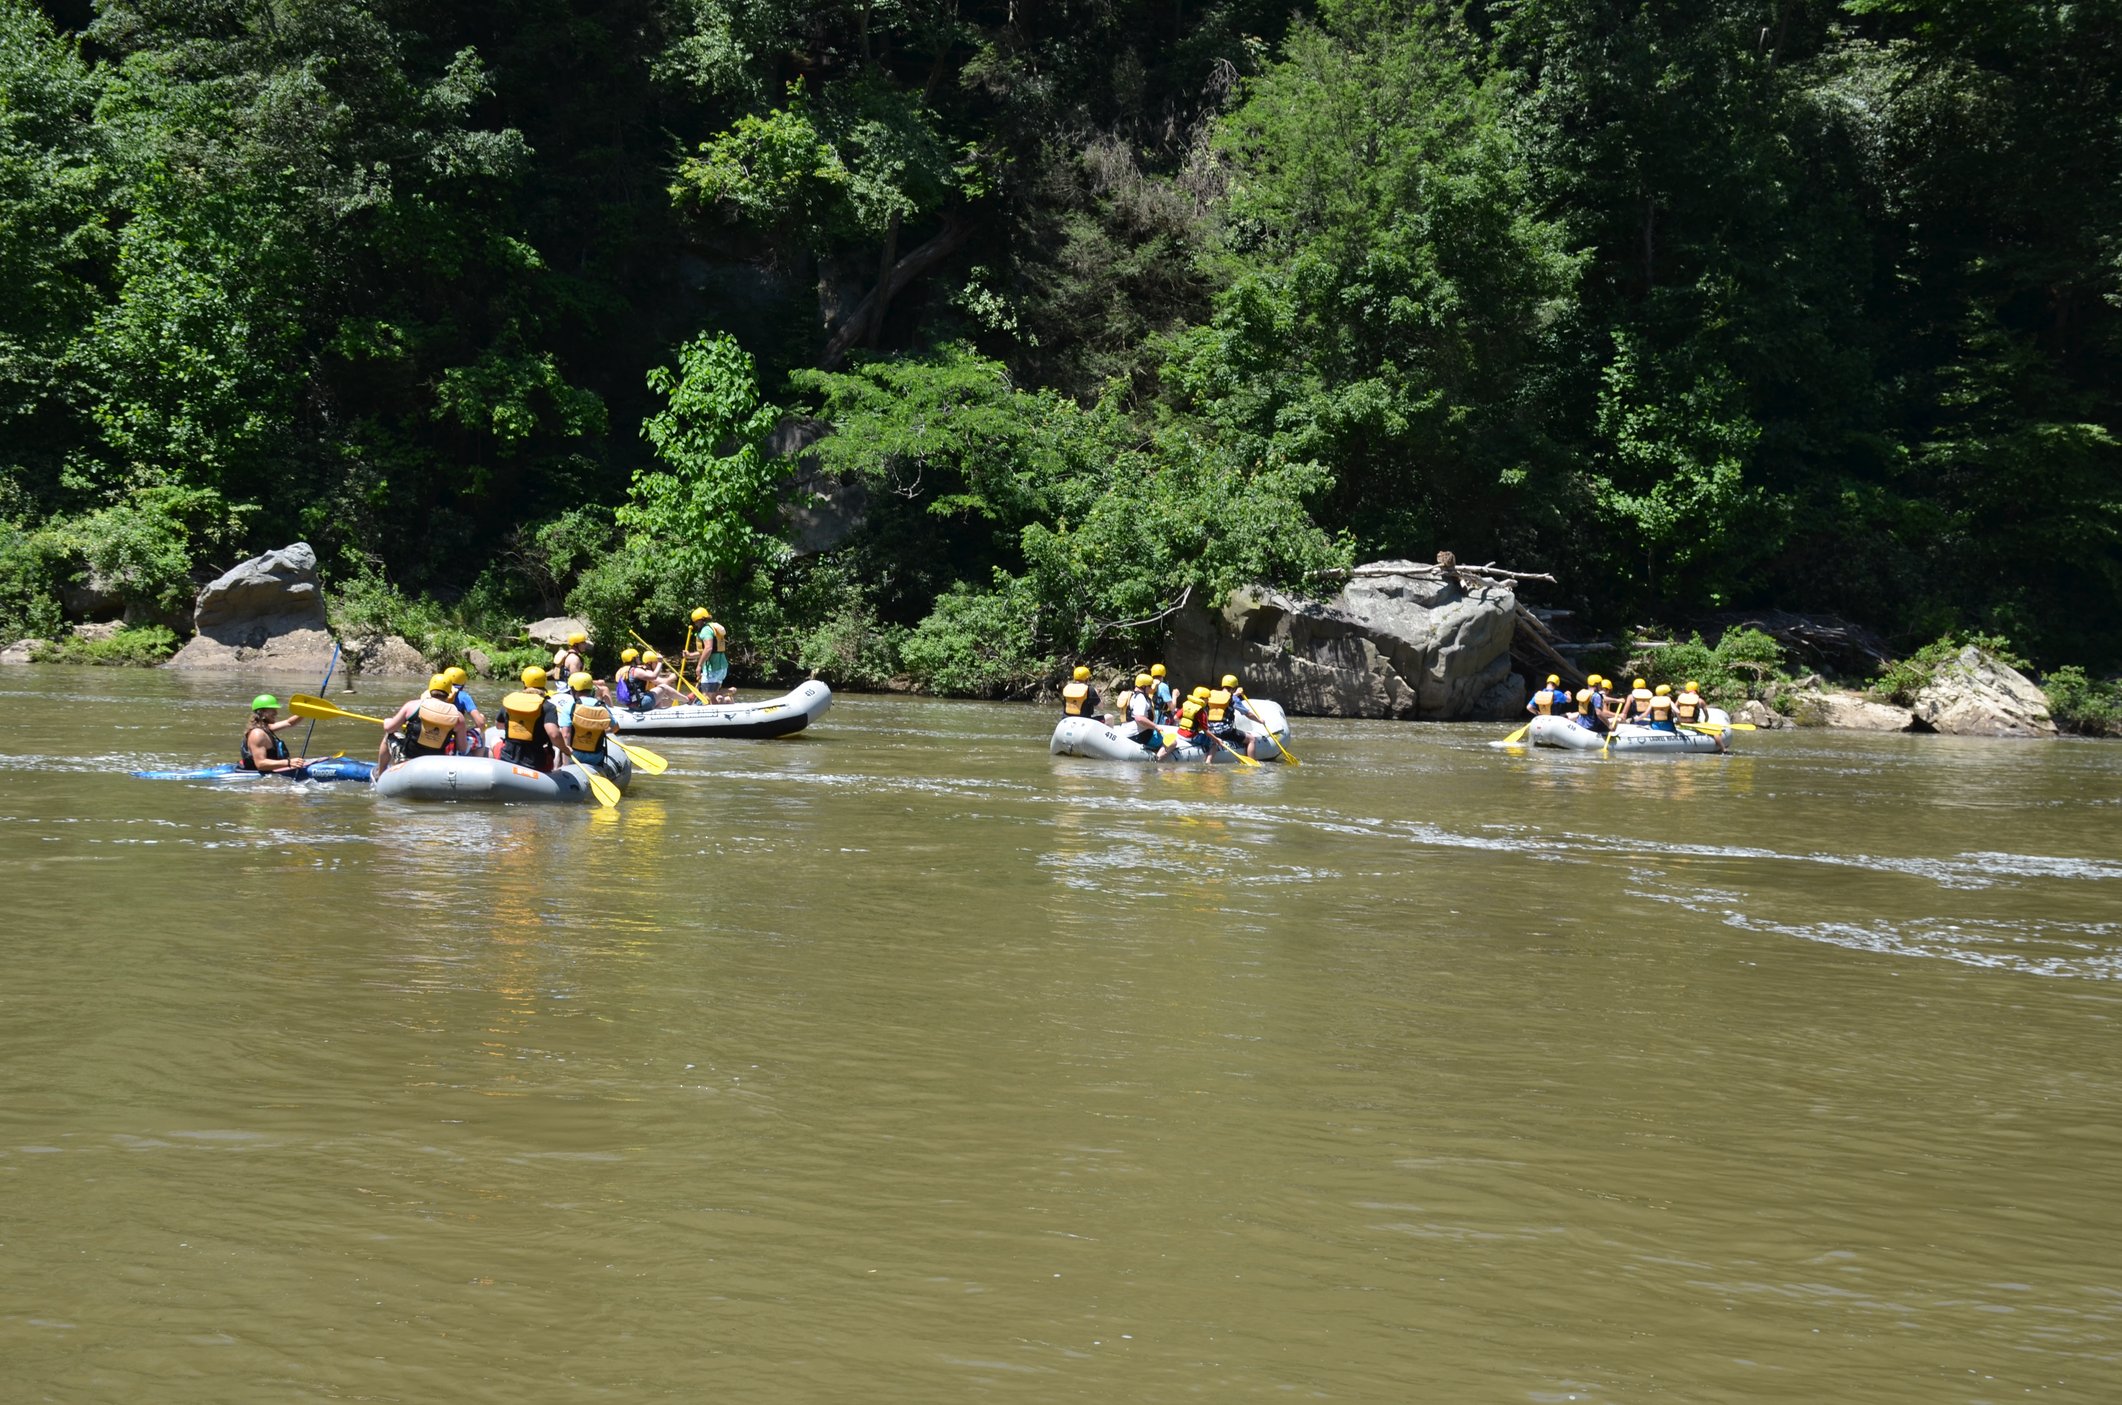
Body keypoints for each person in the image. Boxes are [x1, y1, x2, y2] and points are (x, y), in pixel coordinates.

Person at [376, 674, 473, 778]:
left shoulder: (412, 706)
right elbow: (462, 747)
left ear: (430, 689)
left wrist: (387, 721)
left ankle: (380, 774)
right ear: (449, 693)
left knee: (388, 736)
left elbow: (389, 728)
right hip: (437, 761)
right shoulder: (458, 717)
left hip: (408, 758)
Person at [496, 667, 574, 772]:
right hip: (535, 763)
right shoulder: (547, 706)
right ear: (544, 683)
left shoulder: (509, 702)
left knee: (494, 741)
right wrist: (565, 749)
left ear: (524, 683)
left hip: (508, 758)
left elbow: (498, 725)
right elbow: (554, 734)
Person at [553, 672, 617, 774]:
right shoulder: (602, 706)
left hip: (574, 756)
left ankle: (560, 768)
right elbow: (615, 727)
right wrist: (602, 731)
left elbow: (565, 735)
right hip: (596, 757)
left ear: (573, 690)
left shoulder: (570, 706)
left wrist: (566, 764)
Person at [238, 695, 310, 776]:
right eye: (272, 710)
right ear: (262, 712)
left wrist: (306, 711)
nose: (276, 713)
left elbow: (289, 723)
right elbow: (260, 764)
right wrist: (289, 762)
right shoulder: (257, 734)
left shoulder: (266, 728)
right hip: (258, 779)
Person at [687, 606, 735, 702]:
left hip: (713, 668)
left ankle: (729, 691)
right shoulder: (711, 628)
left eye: (696, 621)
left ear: (700, 620)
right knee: (713, 698)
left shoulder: (705, 630)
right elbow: (706, 651)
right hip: (721, 667)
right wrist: (689, 655)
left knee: (706, 696)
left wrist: (699, 665)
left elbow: (708, 648)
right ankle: (727, 700)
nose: (695, 624)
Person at [1157, 687, 1214, 760]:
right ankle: (1208, 762)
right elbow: (1206, 731)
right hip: (1191, 736)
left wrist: (1184, 724)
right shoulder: (1201, 711)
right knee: (1213, 743)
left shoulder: (1186, 706)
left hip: (1180, 734)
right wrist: (1217, 740)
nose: (1208, 700)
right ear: (1202, 698)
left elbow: (1175, 718)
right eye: (1207, 698)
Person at [443, 666, 485, 749]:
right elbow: (480, 723)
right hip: (454, 742)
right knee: (481, 723)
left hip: (438, 739)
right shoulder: (464, 697)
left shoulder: (435, 695)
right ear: (463, 684)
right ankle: (479, 757)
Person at [1121, 672, 1160, 753]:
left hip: (1128, 732)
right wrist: (1156, 726)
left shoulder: (1133, 694)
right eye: (1150, 686)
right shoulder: (1141, 698)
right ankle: (1158, 761)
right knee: (1171, 743)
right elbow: (1139, 718)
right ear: (1143, 686)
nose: (1152, 689)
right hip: (1138, 735)